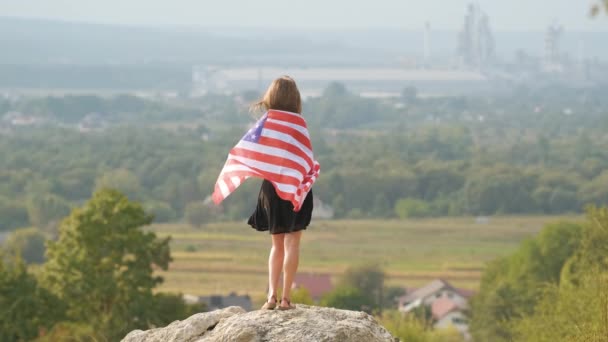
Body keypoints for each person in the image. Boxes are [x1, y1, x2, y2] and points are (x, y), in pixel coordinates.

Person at [247, 76, 314, 310]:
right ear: (295, 98)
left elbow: (254, 153)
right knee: (293, 243)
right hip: (295, 186)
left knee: (276, 245)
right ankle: (286, 299)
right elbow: (305, 158)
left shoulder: (265, 124)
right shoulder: (299, 124)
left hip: (272, 188)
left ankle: (271, 297)